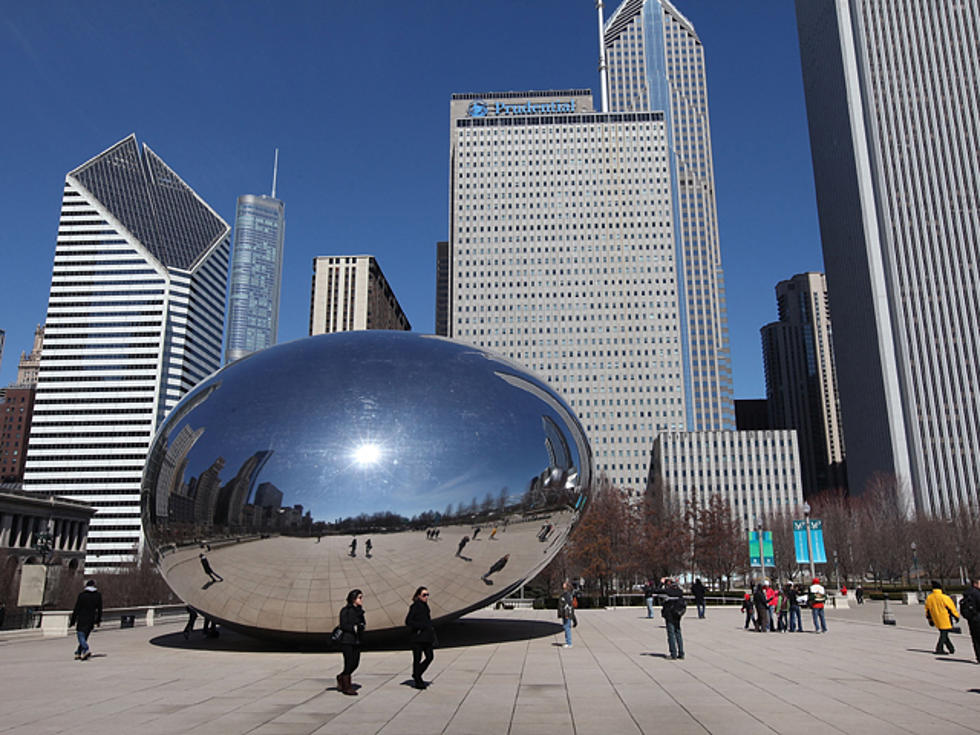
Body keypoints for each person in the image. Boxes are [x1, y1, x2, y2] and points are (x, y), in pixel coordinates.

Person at [405, 586, 436, 688]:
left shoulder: (426, 606)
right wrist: (420, 626)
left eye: (427, 595)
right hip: (417, 637)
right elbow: (408, 621)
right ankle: (418, 680)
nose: (426, 597)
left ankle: (417, 673)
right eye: (424, 595)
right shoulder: (415, 607)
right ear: (418, 596)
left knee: (430, 657)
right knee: (417, 658)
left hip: (427, 637)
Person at [336, 589, 366, 695]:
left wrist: (361, 627)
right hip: (347, 640)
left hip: (357, 640)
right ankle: (347, 686)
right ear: (353, 599)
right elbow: (343, 624)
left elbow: (363, 622)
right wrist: (354, 628)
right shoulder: (345, 610)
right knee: (348, 662)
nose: (361, 600)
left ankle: (341, 677)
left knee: (355, 663)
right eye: (359, 597)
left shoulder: (360, 611)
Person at [68, 579, 102, 660]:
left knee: (80, 635)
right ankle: (78, 652)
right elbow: (100, 609)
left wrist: (73, 620)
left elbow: (77, 608)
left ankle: (86, 649)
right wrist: (98, 620)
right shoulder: (98, 595)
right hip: (91, 618)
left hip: (82, 618)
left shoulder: (82, 595)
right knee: (85, 636)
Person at [924, 581, 959, 655]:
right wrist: (956, 616)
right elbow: (951, 608)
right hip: (945, 618)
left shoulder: (929, 598)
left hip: (936, 618)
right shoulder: (944, 597)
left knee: (943, 633)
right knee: (944, 633)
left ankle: (951, 648)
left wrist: (930, 619)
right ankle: (939, 648)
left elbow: (927, 610)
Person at [660, 578, 686, 659]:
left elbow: (656, 590)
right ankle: (681, 653)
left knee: (671, 634)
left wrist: (661, 583)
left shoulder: (668, 591)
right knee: (678, 633)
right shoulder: (679, 592)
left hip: (669, 614)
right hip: (677, 614)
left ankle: (673, 653)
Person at [959, 576, 980, 664]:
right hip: (978, 617)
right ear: (975, 584)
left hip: (972, 619)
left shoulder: (967, 593)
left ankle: (979, 657)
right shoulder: (977, 593)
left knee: (975, 639)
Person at [558, 580, 576, 648]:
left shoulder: (566, 595)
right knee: (566, 627)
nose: (563, 586)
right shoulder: (568, 595)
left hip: (566, 614)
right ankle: (568, 642)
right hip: (566, 614)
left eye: (564, 585)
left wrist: (566, 615)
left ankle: (569, 642)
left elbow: (568, 606)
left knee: (566, 627)